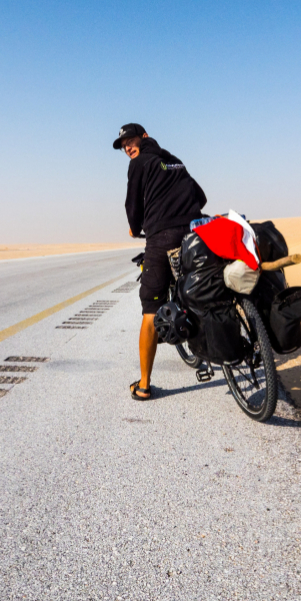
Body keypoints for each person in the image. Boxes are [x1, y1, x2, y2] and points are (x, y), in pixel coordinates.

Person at [113, 123, 207, 400]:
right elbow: (200, 196)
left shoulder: (139, 163)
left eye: (130, 141)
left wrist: (134, 226)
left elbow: (132, 206)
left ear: (144, 137)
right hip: (194, 232)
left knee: (150, 309)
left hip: (162, 236)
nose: (128, 148)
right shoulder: (175, 161)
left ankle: (143, 385)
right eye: (123, 146)